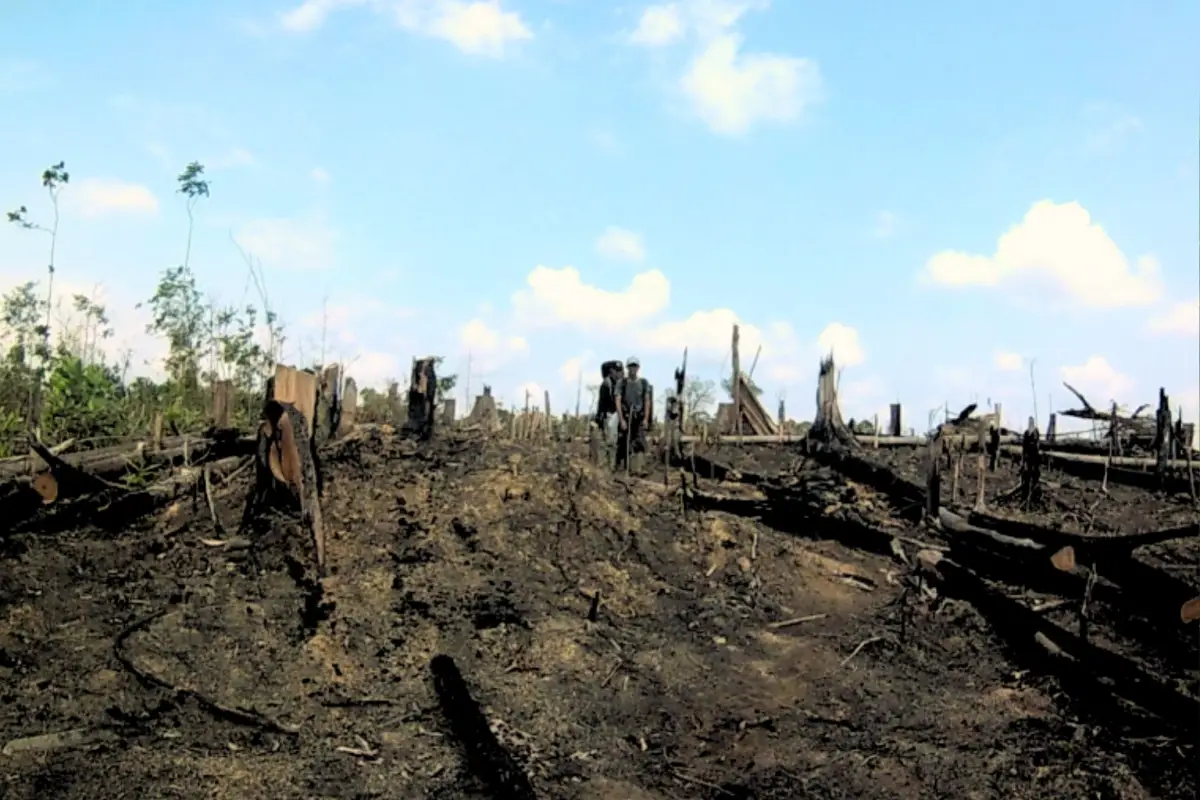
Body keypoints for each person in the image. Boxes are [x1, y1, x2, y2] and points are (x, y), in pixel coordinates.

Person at [615, 356, 652, 472]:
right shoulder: (622, 383)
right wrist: (621, 420)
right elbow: (618, 400)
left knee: (640, 442)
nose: (633, 369)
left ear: (638, 368)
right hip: (626, 416)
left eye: (635, 367)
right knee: (624, 443)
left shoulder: (643, 383)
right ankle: (622, 468)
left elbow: (647, 400)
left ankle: (639, 467)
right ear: (628, 368)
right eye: (631, 367)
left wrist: (646, 418)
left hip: (639, 417)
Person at [593, 361, 623, 468]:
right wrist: (600, 416)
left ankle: (613, 465)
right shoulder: (607, 384)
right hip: (610, 414)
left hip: (618, 414)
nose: (620, 373)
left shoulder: (619, 383)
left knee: (614, 442)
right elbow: (602, 403)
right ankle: (609, 466)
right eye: (617, 371)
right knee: (610, 441)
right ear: (611, 371)